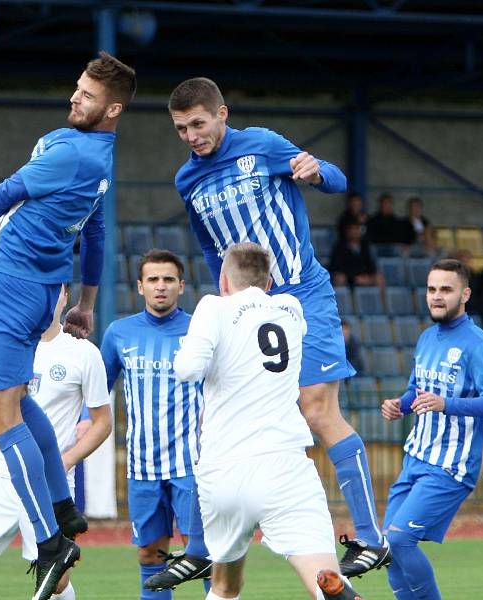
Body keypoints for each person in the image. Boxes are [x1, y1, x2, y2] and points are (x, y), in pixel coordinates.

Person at [168, 77, 388, 578]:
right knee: (220, 414)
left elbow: (336, 179)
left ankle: (372, 539)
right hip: (245, 305)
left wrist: (315, 172)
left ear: (222, 113)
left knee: (316, 409)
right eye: (181, 128)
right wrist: (221, 293)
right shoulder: (187, 180)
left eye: (198, 124)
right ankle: (205, 550)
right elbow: (209, 245)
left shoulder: (262, 145)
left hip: (301, 292)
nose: (191, 136)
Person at [0, 51, 135, 600]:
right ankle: (62, 507)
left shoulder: (69, 154)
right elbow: (96, 233)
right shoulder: (101, 160)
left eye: (86, 96)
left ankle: (48, 542)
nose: (74, 98)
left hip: (8, 285)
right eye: (76, 89)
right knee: (18, 404)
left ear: (112, 109)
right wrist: (86, 301)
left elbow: (0, 198)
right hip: (42, 290)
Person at [172, 242, 362, 600]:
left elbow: (187, 369)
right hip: (286, 465)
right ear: (270, 282)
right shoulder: (290, 309)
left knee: (225, 584)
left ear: (224, 282)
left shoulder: (213, 307)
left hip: (225, 469)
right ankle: (331, 585)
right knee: (323, 572)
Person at [0, 285, 113, 600]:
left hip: (49, 482)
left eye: (55, 290)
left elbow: (103, 423)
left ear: (64, 297)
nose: (46, 297)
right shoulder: (6, 346)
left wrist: (65, 460)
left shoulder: (84, 354)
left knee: (56, 577)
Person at [100, 249, 210, 600]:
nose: (160, 286)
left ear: (181, 285)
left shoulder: (201, 330)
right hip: (142, 468)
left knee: (205, 555)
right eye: (153, 280)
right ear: (140, 287)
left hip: (192, 465)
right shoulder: (118, 333)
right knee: (150, 555)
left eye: (168, 280)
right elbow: (99, 391)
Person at [380, 258, 483, 600]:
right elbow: (417, 389)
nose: (436, 296)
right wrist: (400, 404)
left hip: (450, 467)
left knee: (400, 539)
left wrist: (447, 404)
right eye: (431, 289)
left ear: (465, 294)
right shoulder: (427, 337)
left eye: (446, 289)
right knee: (388, 547)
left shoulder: (478, 344)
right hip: (415, 459)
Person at [328, 223, 381, 288]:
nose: (354, 232)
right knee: (339, 278)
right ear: (347, 231)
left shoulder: (365, 246)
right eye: (352, 229)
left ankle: (382, 298)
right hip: (347, 277)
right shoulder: (339, 246)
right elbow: (336, 266)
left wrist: (366, 276)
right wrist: (354, 277)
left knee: (379, 278)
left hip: (362, 275)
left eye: (356, 229)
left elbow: (370, 265)